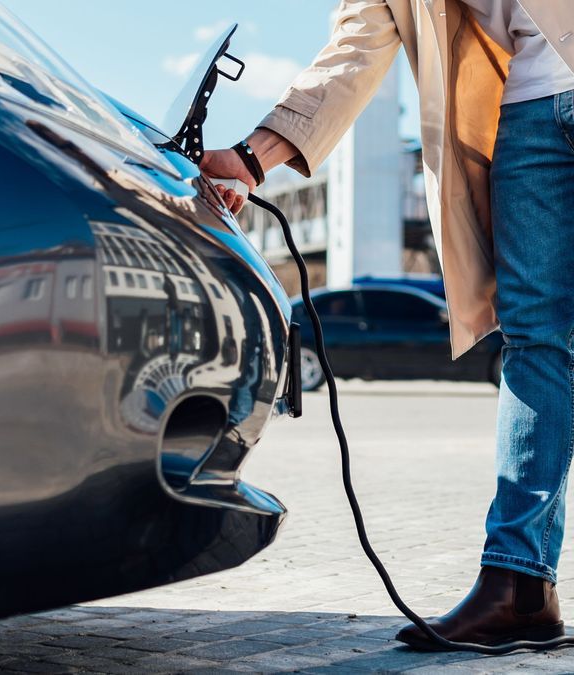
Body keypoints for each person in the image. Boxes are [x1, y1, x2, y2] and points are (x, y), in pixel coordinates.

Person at [201, 0, 574, 650]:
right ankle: (521, 584)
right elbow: (357, 44)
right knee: (536, 342)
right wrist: (253, 157)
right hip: (528, 109)